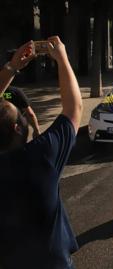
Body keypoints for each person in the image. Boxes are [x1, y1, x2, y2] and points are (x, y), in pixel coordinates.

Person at [0, 36, 83, 269]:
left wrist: (11, 67)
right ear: (18, 127)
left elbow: (72, 109)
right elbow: (74, 108)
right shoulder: (41, 155)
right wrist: (62, 58)